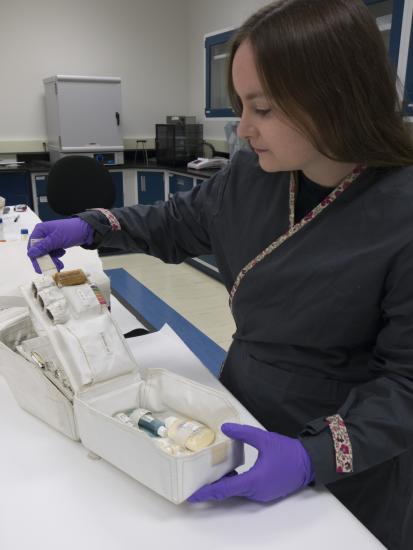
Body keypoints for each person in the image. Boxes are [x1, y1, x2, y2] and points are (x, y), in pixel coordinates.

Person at [27, 1, 413, 548]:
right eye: (241, 106)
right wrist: (95, 226)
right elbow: (175, 222)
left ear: (336, 98)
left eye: (263, 108)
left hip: (345, 458)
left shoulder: (401, 213)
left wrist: (313, 458)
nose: (243, 128)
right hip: (239, 409)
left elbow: (406, 386)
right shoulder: (255, 174)